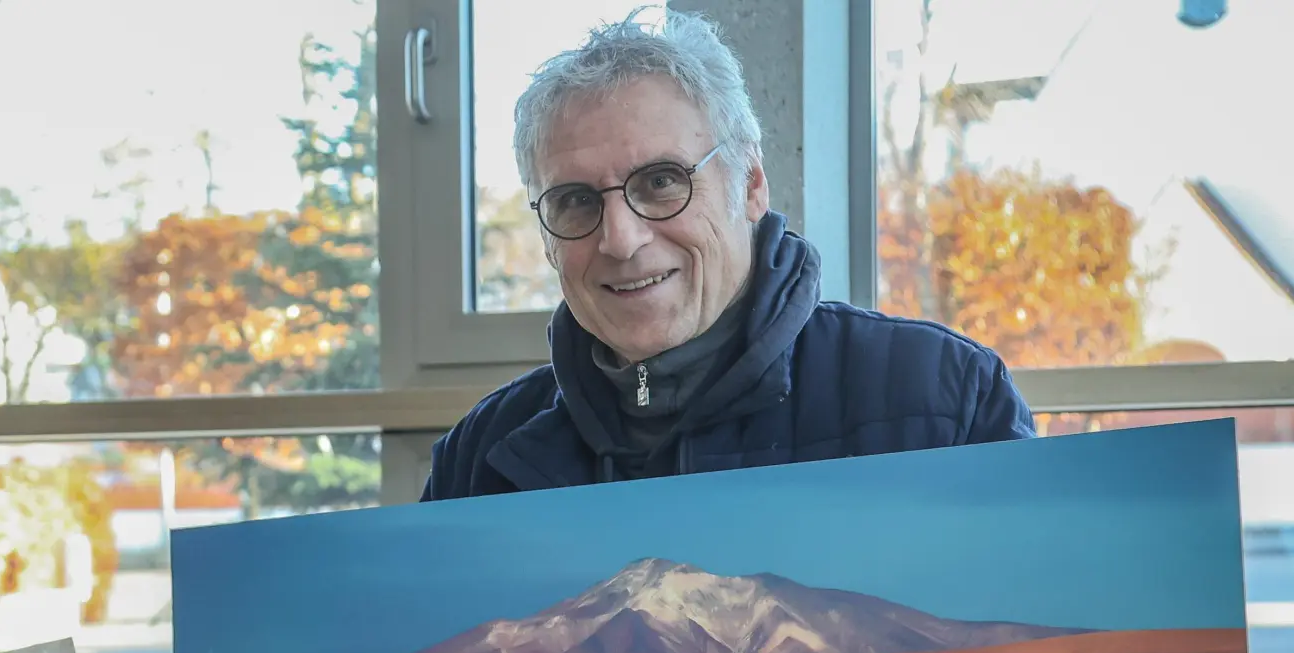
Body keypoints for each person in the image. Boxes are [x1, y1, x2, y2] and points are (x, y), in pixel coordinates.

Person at [421, 8, 1035, 502]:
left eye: (661, 182)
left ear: (750, 185)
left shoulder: (945, 403)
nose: (621, 239)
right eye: (576, 200)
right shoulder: (483, 457)